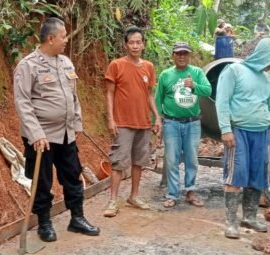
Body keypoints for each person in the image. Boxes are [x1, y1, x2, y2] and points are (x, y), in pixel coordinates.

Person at [13, 17, 100, 242]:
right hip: (41, 137)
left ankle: (77, 218)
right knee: (42, 180)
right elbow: (22, 103)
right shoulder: (28, 65)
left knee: (72, 175)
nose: (66, 41)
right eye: (63, 37)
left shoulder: (66, 63)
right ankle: (44, 223)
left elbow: (73, 97)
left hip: (66, 133)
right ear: (50, 38)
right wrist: (36, 134)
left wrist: (76, 123)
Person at [216, 38, 270, 239]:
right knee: (235, 175)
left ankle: (249, 216)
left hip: (262, 133)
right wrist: (225, 129)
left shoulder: (268, 80)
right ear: (264, 55)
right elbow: (222, 101)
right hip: (238, 131)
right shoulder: (234, 71)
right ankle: (231, 222)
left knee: (258, 175)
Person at [103, 25, 162, 217]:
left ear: (143, 44)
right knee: (119, 162)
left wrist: (157, 117)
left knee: (139, 161)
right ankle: (112, 201)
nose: (135, 46)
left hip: (144, 122)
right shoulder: (116, 65)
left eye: (138, 42)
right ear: (126, 45)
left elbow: (150, 95)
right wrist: (111, 119)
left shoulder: (149, 67)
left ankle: (134, 196)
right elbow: (110, 94)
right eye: (131, 42)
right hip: (123, 122)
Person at [155, 41, 213, 208]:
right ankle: (172, 194)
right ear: (173, 55)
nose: (181, 56)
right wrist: (157, 121)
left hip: (192, 123)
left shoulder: (197, 72)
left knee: (192, 159)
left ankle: (190, 192)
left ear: (189, 55)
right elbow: (158, 100)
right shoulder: (166, 75)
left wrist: (194, 86)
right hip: (171, 123)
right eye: (178, 53)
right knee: (172, 159)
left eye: (185, 53)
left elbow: (208, 91)